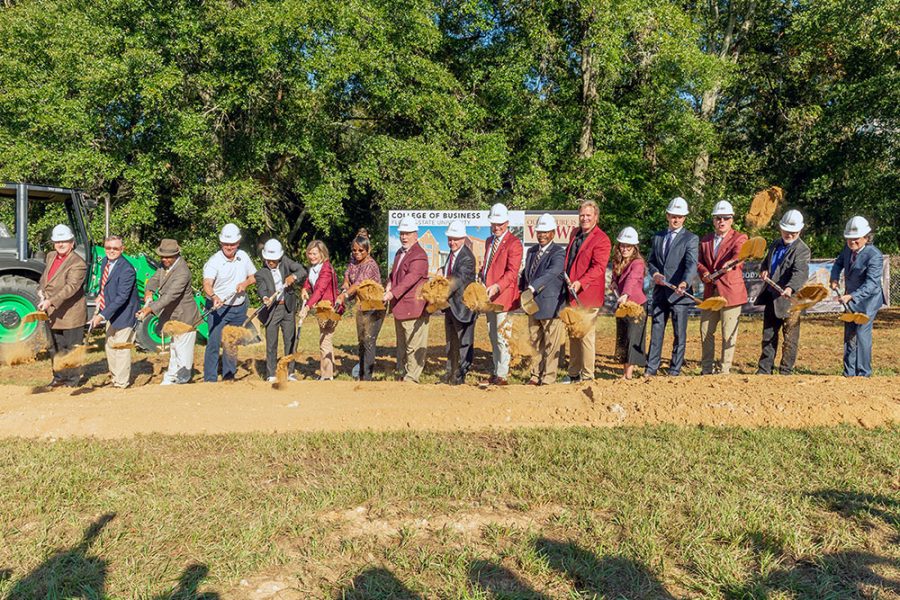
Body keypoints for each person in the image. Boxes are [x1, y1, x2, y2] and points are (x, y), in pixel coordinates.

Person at [646, 197, 699, 377]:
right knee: (656, 330)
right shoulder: (658, 237)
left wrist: (685, 282)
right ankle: (651, 368)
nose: (676, 219)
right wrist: (654, 274)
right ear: (667, 215)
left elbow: (691, 264)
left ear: (684, 218)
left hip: (679, 294)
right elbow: (651, 261)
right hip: (661, 292)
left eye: (680, 217)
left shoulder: (691, 239)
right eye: (673, 216)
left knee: (679, 334)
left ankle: (675, 370)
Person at [136, 239, 201, 385]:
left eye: (168, 257)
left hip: (185, 316)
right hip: (172, 315)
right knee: (174, 347)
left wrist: (149, 309)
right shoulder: (164, 266)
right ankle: (172, 375)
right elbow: (154, 279)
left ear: (176, 255)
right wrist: (149, 291)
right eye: (162, 256)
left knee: (183, 351)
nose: (164, 259)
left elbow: (170, 296)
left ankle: (182, 379)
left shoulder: (183, 272)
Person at [755, 209, 811, 375]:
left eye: (793, 232)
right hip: (772, 296)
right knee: (768, 335)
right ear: (781, 229)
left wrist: (790, 287)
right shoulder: (774, 244)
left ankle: (785, 371)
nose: (790, 234)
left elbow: (800, 272)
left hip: (791, 301)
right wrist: (764, 270)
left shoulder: (802, 250)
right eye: (787, 231)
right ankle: (764, 369)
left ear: (799, 231)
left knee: (790, 338)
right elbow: (765, 264)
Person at [696, 200, 749, 375]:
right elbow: (699, 262)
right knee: (705, 331)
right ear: (713, 220)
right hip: (711, 293)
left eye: (726, 218)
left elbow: (739, 256)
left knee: (728, 334)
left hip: (730, 293)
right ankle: (706, 369)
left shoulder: (740, 238)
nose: (722, 221)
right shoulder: (705, 240)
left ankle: (724, 370)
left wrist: (730, 263)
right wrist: (704, 273)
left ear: (732, 219)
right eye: (718, 218)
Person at [562, 199, 612, 383]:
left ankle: (588, 376)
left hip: (587, 297)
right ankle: (573, 374)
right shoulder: (575, 233)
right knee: (574, 334)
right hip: (571, 295)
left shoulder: (602, 239)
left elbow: (598, 268)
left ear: (596, 217)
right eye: (582, 215)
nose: (584, 218)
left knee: (586, 337)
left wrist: (580, 283)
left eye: (588, 215)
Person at [202, 223, 257, 382]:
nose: (229, 246)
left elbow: (254, 276)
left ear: (238, 243)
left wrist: (245, 284)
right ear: (221, 243)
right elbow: (207, 284)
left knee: (231, 343)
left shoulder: (244, 256)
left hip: (239, 308)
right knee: (213, 343)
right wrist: (214, 297)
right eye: (226, 243)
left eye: (232, 244)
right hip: (218, 307)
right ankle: (210, 379)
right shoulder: (214, 261)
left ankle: (228, 376)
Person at [830, 216, 884, 377]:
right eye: (849, 239)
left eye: (856, 239)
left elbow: (872, 284)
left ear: (866, 238)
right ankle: (849, 372)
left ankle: (864, 373)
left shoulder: (874, 255)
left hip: (868, 300)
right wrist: (834, 278)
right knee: (849, 333)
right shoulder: (847, 249)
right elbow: (839, 263)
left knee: (861, 332)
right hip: (851, 298)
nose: (852, 242)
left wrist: (852, 296)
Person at [519, 213, 566, 386]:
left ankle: (548, 377)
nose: (542, 235)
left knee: (551, 344)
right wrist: (521, 290)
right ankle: (535, 375)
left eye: (546, 232)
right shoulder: (531, 251)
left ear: (553, 233)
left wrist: (531, 288)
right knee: (535, 342)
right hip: (533, 306)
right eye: (539, 232)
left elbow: (551, 273)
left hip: (551, 305)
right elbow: (526, 274)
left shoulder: (559, 253)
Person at [38, 224, 87, 387]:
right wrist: (40, 291)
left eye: (64, 241)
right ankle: (59, 377)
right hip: (52, 312)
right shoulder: (51, 256)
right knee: (55, 347)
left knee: (71, 348)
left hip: (70, 314)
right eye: (57, 241)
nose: (60, 244)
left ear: (72, 242)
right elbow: (46, 278)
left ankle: (72, 380)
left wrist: (50, 301)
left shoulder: (78, 263)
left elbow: (70, 288)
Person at [480, 203, 523, 386]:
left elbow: (512, 273)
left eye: (500, 224)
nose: (496, 227)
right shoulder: (489, 241)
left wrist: (497, 286)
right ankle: (497, 369)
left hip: (504, 296)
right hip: (488, 296)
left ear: (506, 222)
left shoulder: (514, 243)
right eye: (494, 224)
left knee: (502, 337)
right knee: (492, 335)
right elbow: (487, 265)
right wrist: (481, 278)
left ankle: (503, 375)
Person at [89, 235, 139, 388]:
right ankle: (115, 378)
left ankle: (121, 383)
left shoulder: (127, 269)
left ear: (122, 249)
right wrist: (100, 296)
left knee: (121, 348)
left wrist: (102, 316)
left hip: (125, 313)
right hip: (112, 311)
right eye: (108, 248)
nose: (111, 251)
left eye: (115, 248)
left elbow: (122, 297)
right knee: (110, 345)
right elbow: (105, 284)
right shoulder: (105, 261)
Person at [384, 216, 429, 383]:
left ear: (415, 235)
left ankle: (412, 377)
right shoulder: (399, 253)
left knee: (413, 345)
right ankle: (402, 373)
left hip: (414, 308)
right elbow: (395, 274)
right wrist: (389, 283)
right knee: (402, 345)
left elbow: (409, 279)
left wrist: (391, 294)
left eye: (407, 233)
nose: (404, 236)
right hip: (400, 307)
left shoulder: (420, 255)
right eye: (402, 233)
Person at [336, 229, 384, 381]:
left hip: (374, 306)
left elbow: (358, 284)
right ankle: (362, 374)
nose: (357, 253)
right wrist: (344, 284)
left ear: (368, 250)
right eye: (354, 250)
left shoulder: (370, 265)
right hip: (361, 305)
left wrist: (344, 295)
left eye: (361, 250)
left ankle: (367, 377)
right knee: (362, 340)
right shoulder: (353, 260)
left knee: (369, 340)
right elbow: (348, 276)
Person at [256, 239, 307, 382]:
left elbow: (302, 270)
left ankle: (289, 372)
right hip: (273, 309)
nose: (271, 262)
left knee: (290, 340)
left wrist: (293, 276)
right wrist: (265, 297)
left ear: (279, 257)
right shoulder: (261, 273)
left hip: (288, 308)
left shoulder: (285, 262)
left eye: (274, 260)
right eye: (269, 260)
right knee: (271, 342)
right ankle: (271, 373)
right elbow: (261, 289)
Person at [442, 220, 476, 385]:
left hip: (463, 308)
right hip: (450, 307)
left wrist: (440, 293)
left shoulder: (467, 258)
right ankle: (450, 374)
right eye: (450, 238)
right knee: (451, 343)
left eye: (455, 239)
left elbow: (458, 279)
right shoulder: (451, 254)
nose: (452, 242)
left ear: (463, 238)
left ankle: (460, 376)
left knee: (463, 343)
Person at [299, 240, 338, 380]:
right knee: (325, 338)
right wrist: (304, 288)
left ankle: (326, 376)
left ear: (322, 253)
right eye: (309, 253)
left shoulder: (326, 269)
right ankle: (329, 372)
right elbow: (310, 281)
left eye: (314, 253)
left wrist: (307, 307)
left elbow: (320, 290)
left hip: (329, 308)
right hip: (321, 307)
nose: (311, 256)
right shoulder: (314, 267)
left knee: (325, 340)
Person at [612, 227, 647, 380]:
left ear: (634, 247)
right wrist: (613, 283)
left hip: (635, 306)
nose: (625, 249)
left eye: (628, 246)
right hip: (623, 306)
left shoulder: (638, 263)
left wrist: (625, 294)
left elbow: (632, 280)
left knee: (633, 338)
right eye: (622, 245)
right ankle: (624, 372)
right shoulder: (618, 261)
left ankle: (629, 375)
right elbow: (616, 277)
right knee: (623, 338)